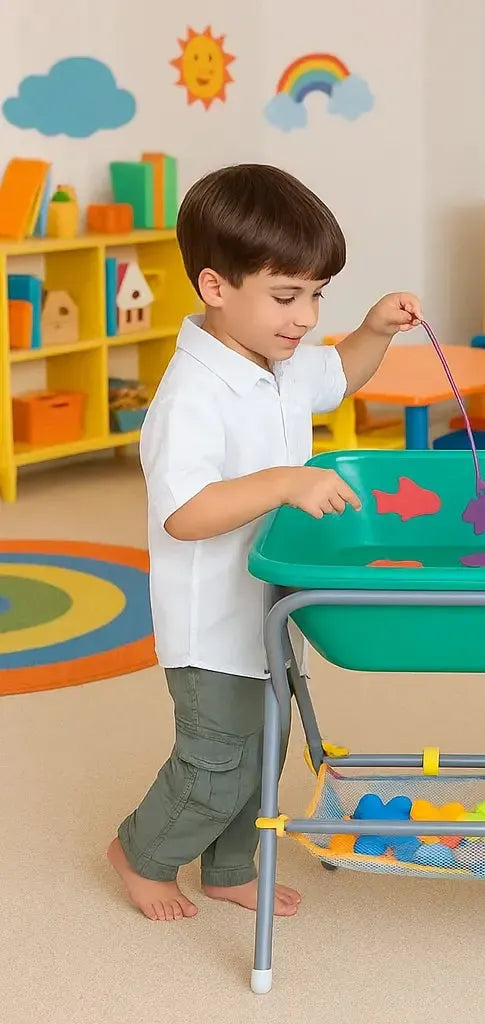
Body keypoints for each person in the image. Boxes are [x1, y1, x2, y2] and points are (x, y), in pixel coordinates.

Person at [107, 163, 422, 921]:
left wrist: (373, 329)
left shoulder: (278, 364)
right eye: (288, 296)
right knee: (213, 763)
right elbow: (183, 511)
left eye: (316, 295)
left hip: (267, 613)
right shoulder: (192, 395)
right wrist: (285, 482)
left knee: (261, 754)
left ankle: (230, 867)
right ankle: (140, 851)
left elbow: (340, 374)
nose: (306, 316)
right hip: (208, 627)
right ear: (216, 288)